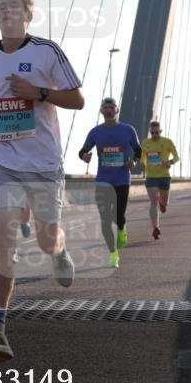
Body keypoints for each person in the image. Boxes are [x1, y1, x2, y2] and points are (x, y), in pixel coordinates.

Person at [0, 0, 84, 363]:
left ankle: (58, 251)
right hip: (3, 166)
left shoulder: (47, 52)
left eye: (15, 8)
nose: (8, 13)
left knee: (46, 238)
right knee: (5, 242)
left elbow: (77, 99)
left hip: (44, 167)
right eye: (1, 9)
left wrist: (39, 93)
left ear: (28, 17)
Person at [79, 97, 142, 269]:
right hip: (102, 182)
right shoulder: (95, 132)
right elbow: (83, 151)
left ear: (117, 110)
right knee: (105, 219)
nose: (108, 110)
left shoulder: (128, 130)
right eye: (105, 108)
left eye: (111, 107)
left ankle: (122, 228)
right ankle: (113, 253)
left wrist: (134, 161)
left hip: (122, 180)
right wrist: (85, 156)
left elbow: (138, 150)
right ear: (101, 111)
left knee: (118, 216)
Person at [141, 120, 179, 240]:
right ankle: (155, 228)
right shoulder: (146, 143)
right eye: (152, 133)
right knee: (153, 203)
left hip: (164, 177)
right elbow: (143, 158)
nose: (154, 135)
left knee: (164, 203)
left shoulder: (167, 142)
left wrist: (170, 162)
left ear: (160, 131)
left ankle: (162, 203)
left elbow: (177, 157)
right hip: (151, 177)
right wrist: (143, 165)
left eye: (156, 132)